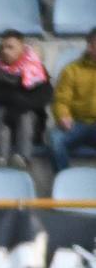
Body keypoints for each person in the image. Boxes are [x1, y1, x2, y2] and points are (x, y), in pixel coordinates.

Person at [0, 30, 52, 168]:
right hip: (2, 116)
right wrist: (14, 99)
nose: (5, 51)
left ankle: (23, 157)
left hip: (30, 120)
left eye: (10, 47)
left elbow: (44, 95)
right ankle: (2, 157)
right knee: (1, 111)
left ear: (22, 48)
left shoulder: (36, 68)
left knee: (25, 114)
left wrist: (19, 103)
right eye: (3, 47)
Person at [48, 28, 96, 173]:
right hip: (77, 124)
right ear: (89, 46)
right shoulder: (71, 70)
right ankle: (64, 182)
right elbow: (61, 100)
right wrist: (63, 116)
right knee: (55, 140)